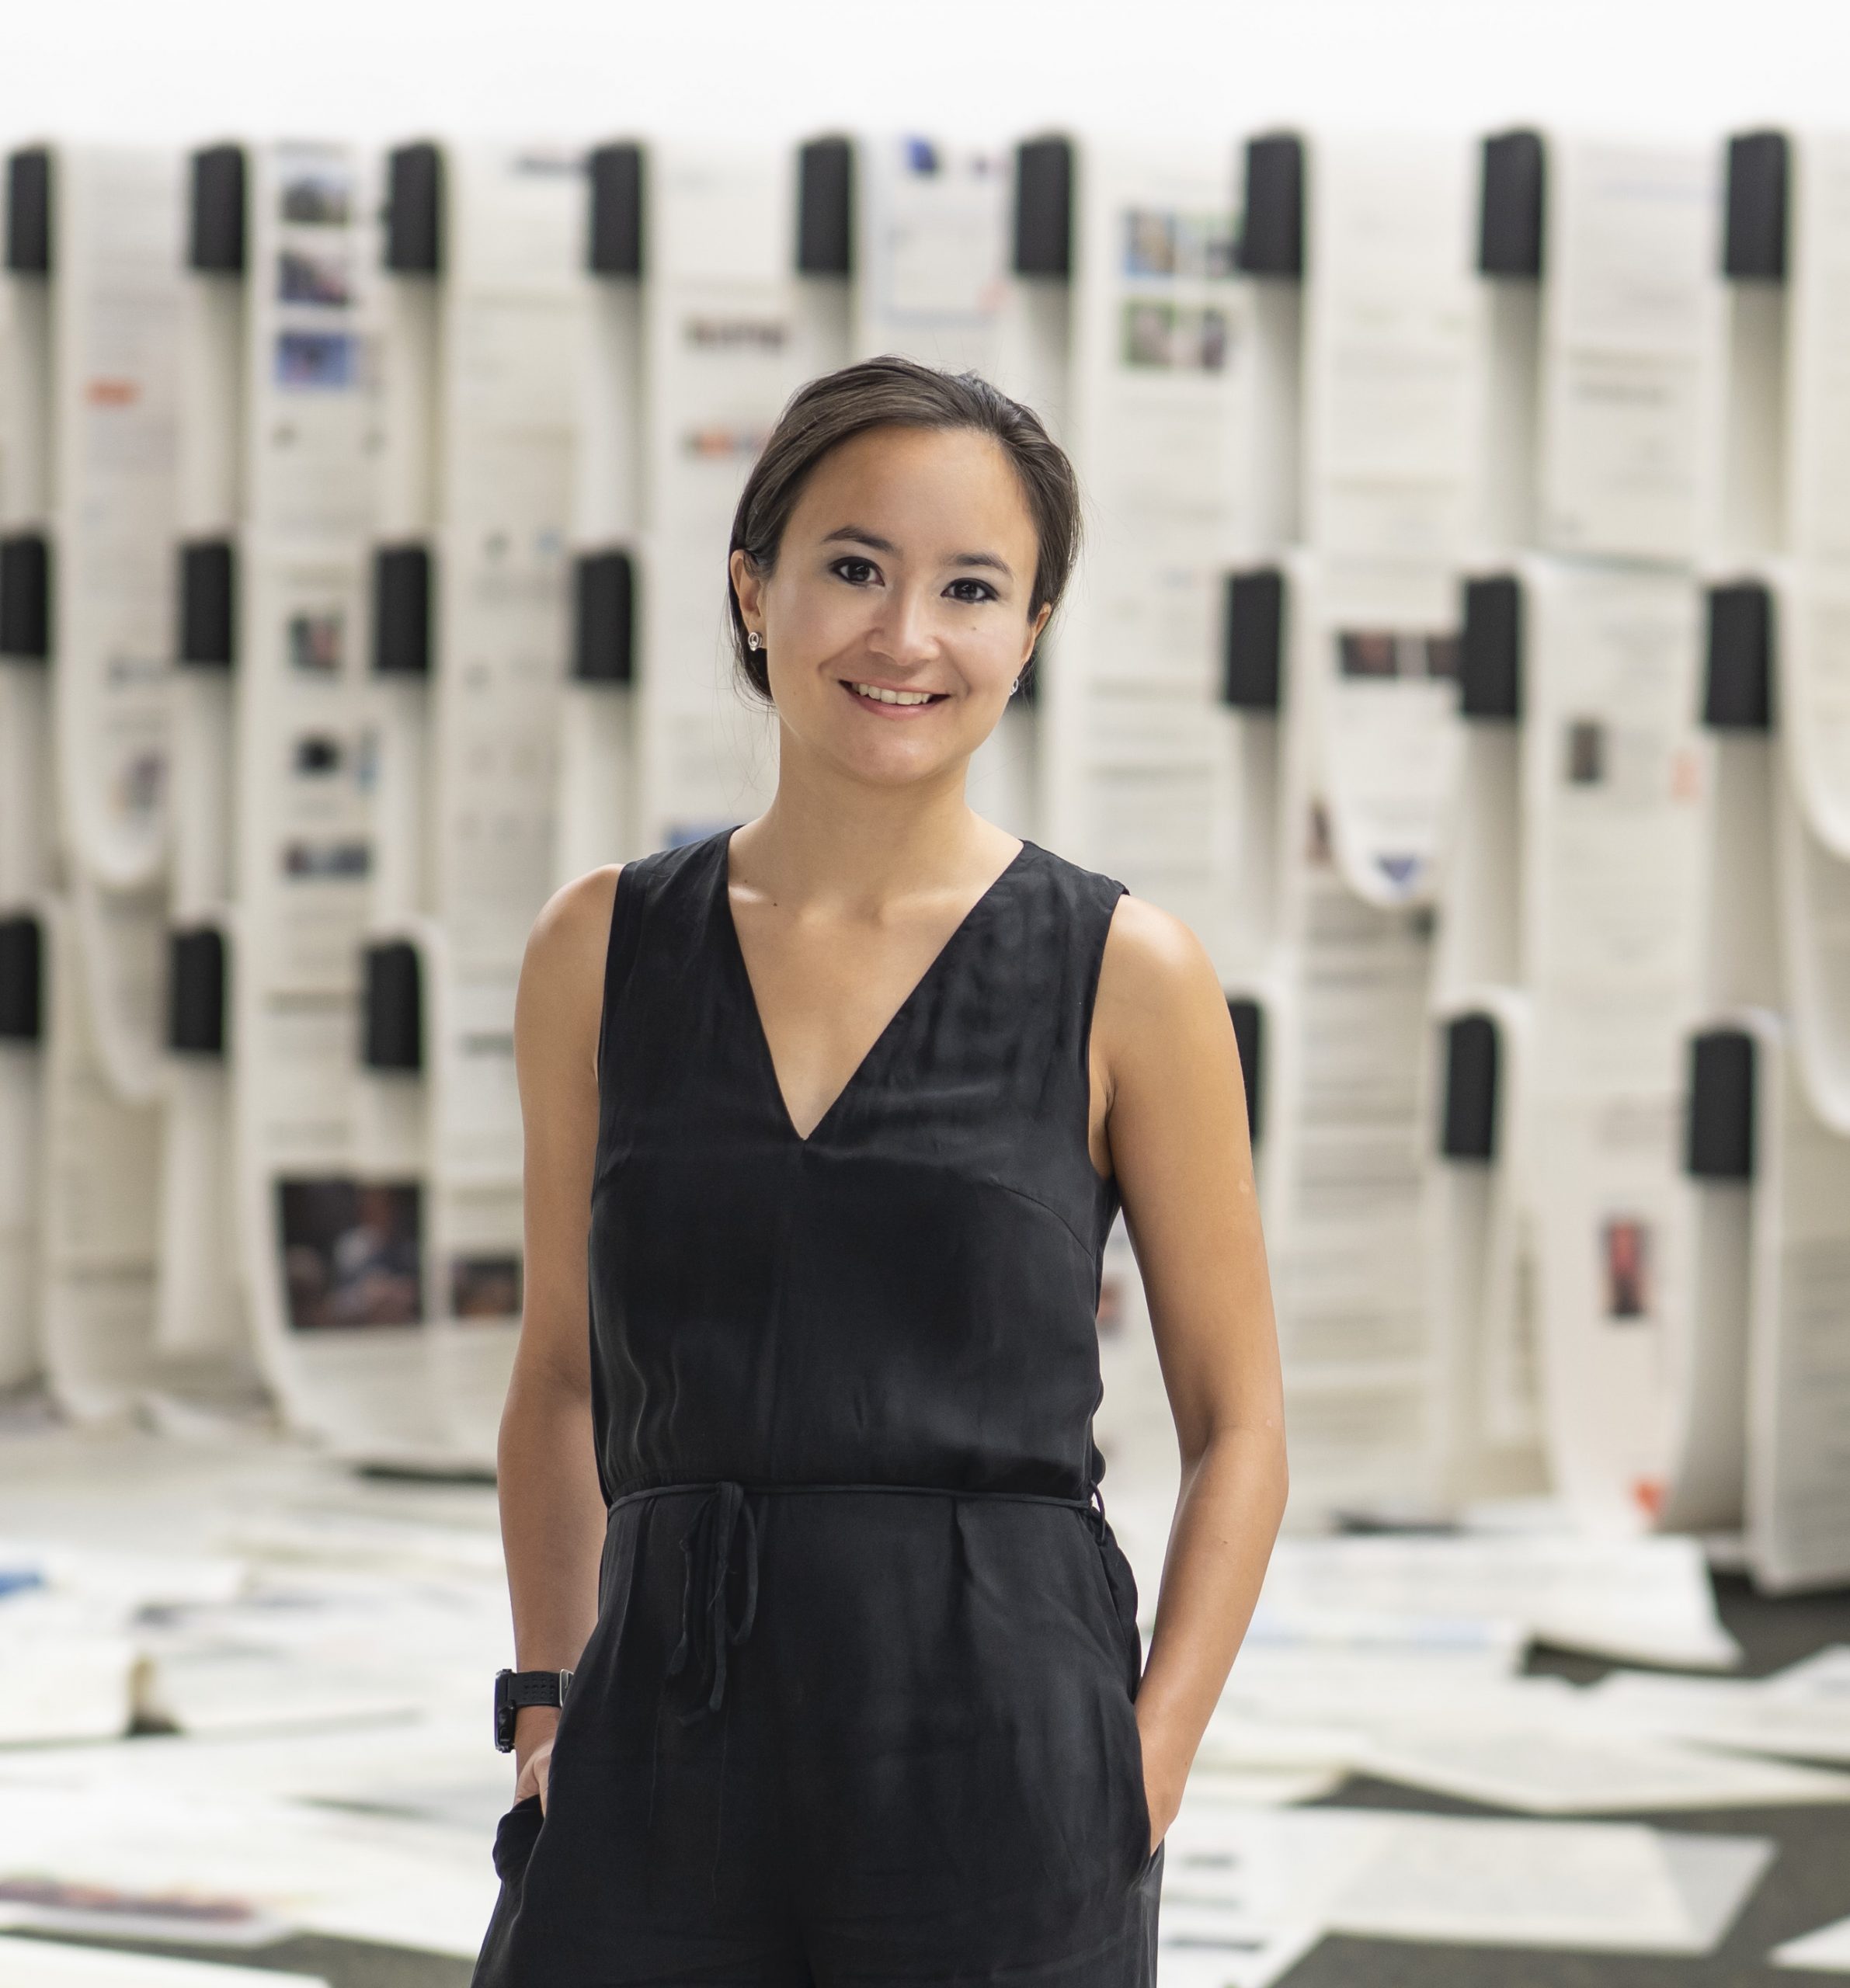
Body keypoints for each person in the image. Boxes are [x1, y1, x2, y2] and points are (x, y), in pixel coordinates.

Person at [474, 356, 1286, 1984]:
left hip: (1001, 1752)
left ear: (1030, 632)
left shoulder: (1128, 970)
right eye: (853, 567)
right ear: (751, 589)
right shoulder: (600, 946)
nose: (905, 635)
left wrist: (1143, 1768)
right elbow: (562, 1376)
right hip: (659, 1737)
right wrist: (548, 1702)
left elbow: (1241, 1424)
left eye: (970, 588)